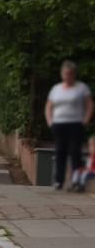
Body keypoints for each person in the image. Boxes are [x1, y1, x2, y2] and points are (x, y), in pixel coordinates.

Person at [46, 61, 93, 190]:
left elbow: (89, 105)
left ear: (74, 74)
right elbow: (49, 106)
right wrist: (50, 122)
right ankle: (59, 181)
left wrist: (85, 120)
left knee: (74, 151)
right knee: (60, 151)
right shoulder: (56, 89)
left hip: (75, 124)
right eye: (66, 74)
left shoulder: (81, 88)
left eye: (71, 74)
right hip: (59, 124)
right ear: (62, 74)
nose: (68, 76)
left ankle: (76, 180)